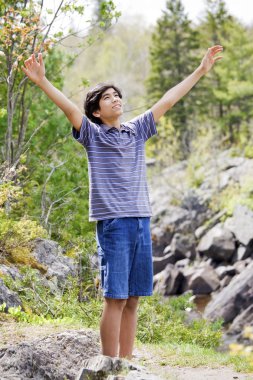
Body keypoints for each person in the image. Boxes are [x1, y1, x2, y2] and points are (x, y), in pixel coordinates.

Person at [22, 44, 223, 359]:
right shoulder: (93, 134)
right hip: (114, 223)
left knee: (133, 299)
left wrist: (200, 70)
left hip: (142, 219)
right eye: (107, 97)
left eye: (117, 95)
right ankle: (109, 364)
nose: (116, 98)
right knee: (114, 298)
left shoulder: (136, 130)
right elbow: (70, 110)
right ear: (97, 112)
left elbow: (169, 99)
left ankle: (127, 365)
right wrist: (42, 81)